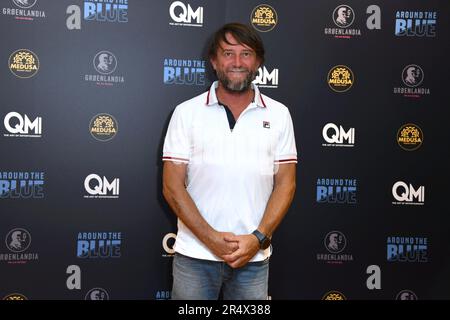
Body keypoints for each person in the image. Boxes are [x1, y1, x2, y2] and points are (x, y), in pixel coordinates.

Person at [162, 22, 297, 300]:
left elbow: (286, 184)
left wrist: (257, 239)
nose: (237, 62)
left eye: (246, 54)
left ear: (258, 62)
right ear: (214, 61)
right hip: (195, 257)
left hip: (253, 259)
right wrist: (211, 239)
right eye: (228, 53)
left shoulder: (280, 114)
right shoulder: (186, 113)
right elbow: (172, 187)